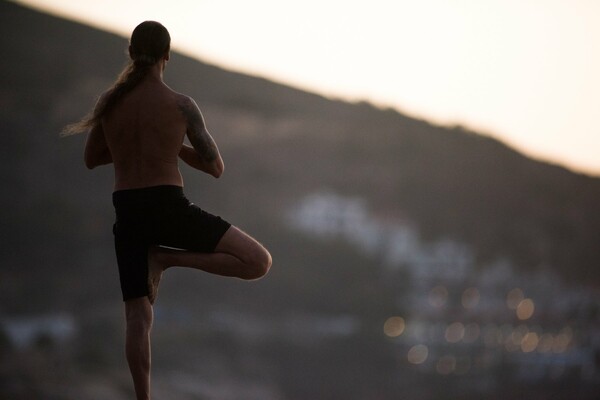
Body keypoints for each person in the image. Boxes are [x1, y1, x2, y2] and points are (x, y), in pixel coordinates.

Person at [63, 21, 272, 400]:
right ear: (167, 57)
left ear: (130, 52)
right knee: (258, 261)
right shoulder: (181, 105)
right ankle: (167, 259)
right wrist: (172, 147)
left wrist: (132, 150)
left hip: (127, 210)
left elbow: (92, 158)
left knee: (137, 319)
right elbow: (215, 167)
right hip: (168, 205)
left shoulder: (109, 102)